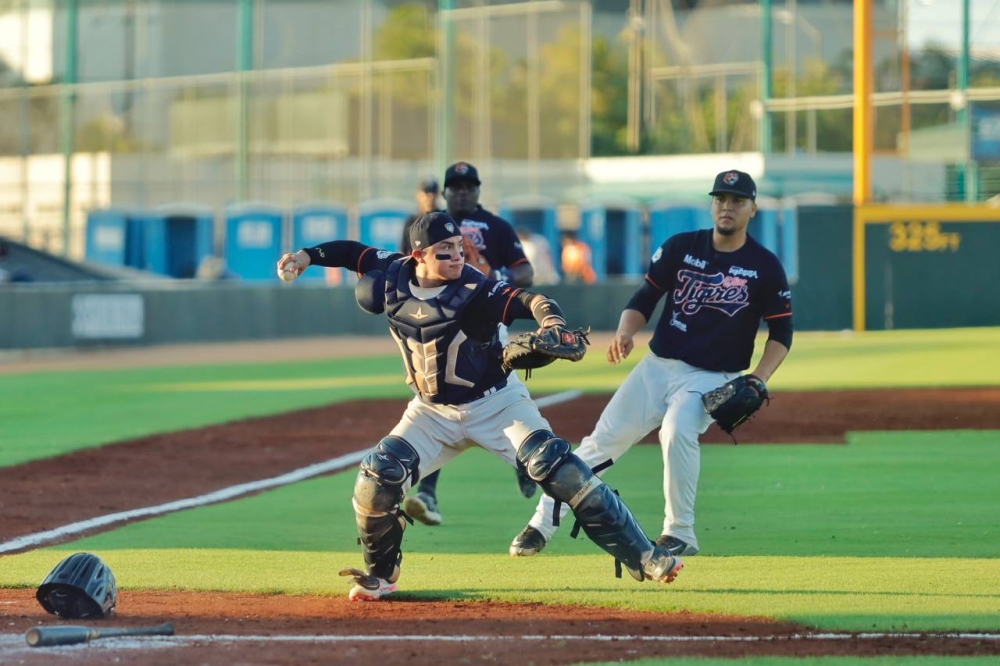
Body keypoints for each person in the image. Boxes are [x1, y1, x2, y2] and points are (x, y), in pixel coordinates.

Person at [275, 212, 684, 601]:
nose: (456, 257)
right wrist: (305, 257)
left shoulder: (476, 287)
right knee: (376, 480)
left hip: (497, 405)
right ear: (418, 256)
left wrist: (553, 325)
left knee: (561, 470)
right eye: (444, 251)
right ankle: (382, 575)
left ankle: (645, 556)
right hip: (431, 412)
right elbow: (350, 253)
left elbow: (532, 301)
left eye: (458, 247)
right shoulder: (394, 271)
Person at [509, 170, 793, 559]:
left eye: (737, 201)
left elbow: (782, 333)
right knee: (600, 443)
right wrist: (626, 332)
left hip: (711, 376)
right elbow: (645, 297)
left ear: (753, 209)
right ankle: (540, 524)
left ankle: (680, 533)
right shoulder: (681, 246)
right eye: (721, 198)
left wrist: (759, 378)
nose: (727, 206)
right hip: (657, 367)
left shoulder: (764, 266)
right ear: (712, 203)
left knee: (676, 431)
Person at [401, 161, 536, 527]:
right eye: (455, 186)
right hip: (437, 324)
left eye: (468, 185)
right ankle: (427, 492)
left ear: (477, 190)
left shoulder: (495, 226)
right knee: (439, 401)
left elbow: (526, 271)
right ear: (445, 191)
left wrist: (494, 277)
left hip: (484, 321)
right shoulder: (426, 228)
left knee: (495, 392)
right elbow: (404, 269)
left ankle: (528, 456)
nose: (462, 191)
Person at [400, 176, 441, 253]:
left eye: (433, 192)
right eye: (426, 192)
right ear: (418, 195)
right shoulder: (411, 221)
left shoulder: (444, 218)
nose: (430, 196)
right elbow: (403, 251)